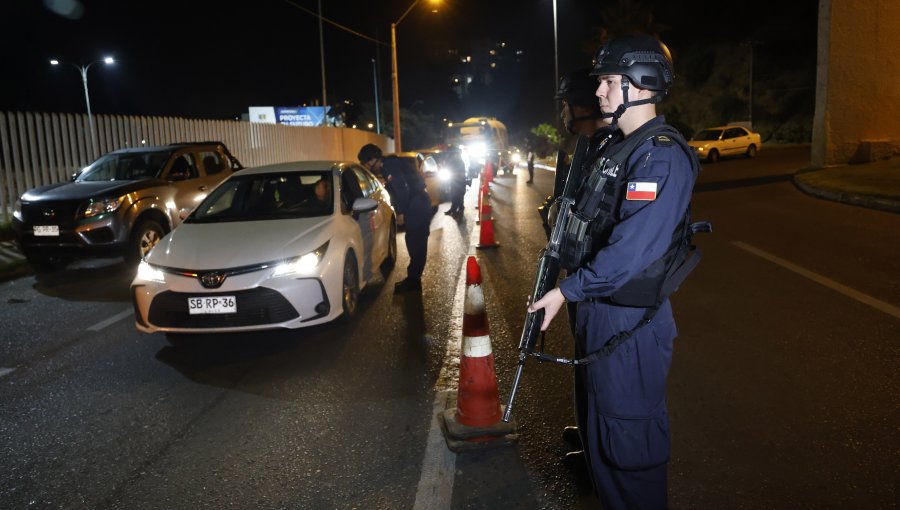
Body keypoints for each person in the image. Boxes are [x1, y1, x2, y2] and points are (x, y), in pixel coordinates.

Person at [527, 34, 699, 508]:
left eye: (608, 80)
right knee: (599, 432)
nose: (599, 91)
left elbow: (631, 251)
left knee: (628, 448)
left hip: (628, 320)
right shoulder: (615, 147)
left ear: (642, 83)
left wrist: (568, 291)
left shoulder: (658, 154)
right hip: (598, 312)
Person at [379, 155, 432, 292]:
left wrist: (400, 212)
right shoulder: (394, 163)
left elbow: (402, 188)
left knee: (416, 243)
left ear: (372, 159)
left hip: (416, 205)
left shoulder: (389, 165)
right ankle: (414, 279)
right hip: (419, 202)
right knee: (415, 241)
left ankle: (413, 281)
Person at [443, 148, 468, 217]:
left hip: (460, 182)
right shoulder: (454, 161)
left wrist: (454, 175)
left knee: (459, 196)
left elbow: (462, 173)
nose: (454, 155)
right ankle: (453, 209)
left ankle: (460, 209)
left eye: (455, 153)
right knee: (454, 196)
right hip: (454, 181)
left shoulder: (460, 162)